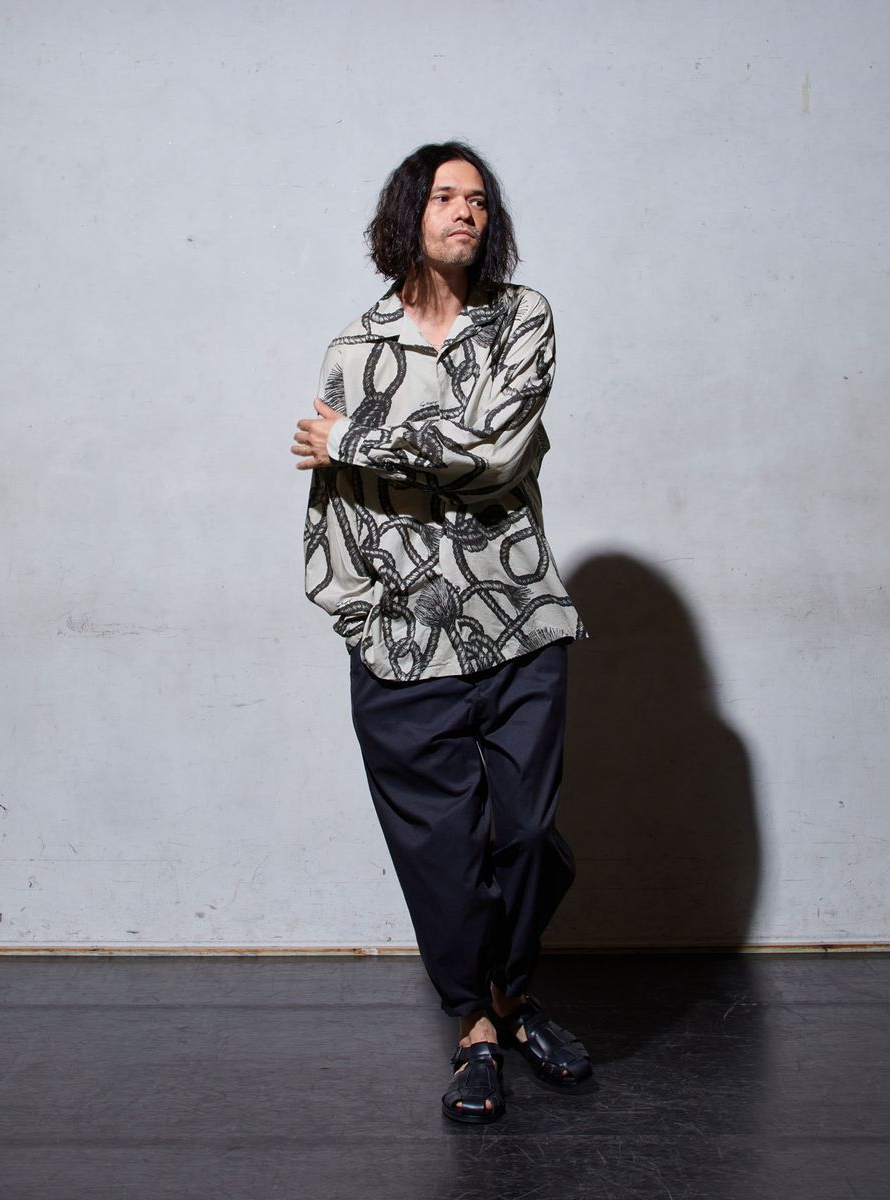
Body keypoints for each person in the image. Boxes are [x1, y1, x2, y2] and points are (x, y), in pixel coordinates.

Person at [291, 142, 591, 1124]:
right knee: (441, 856)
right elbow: (335, 508)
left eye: (479, 199)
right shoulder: (355, 346)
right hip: (403, 643)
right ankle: (480, 1026)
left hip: (517, 622)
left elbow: (493, 454)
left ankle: (509, 992)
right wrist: (357, 615)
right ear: (408, 214)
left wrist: (350, 438)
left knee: (529, 834)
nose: (465, 211)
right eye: (444, 196)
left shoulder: (521, 320)